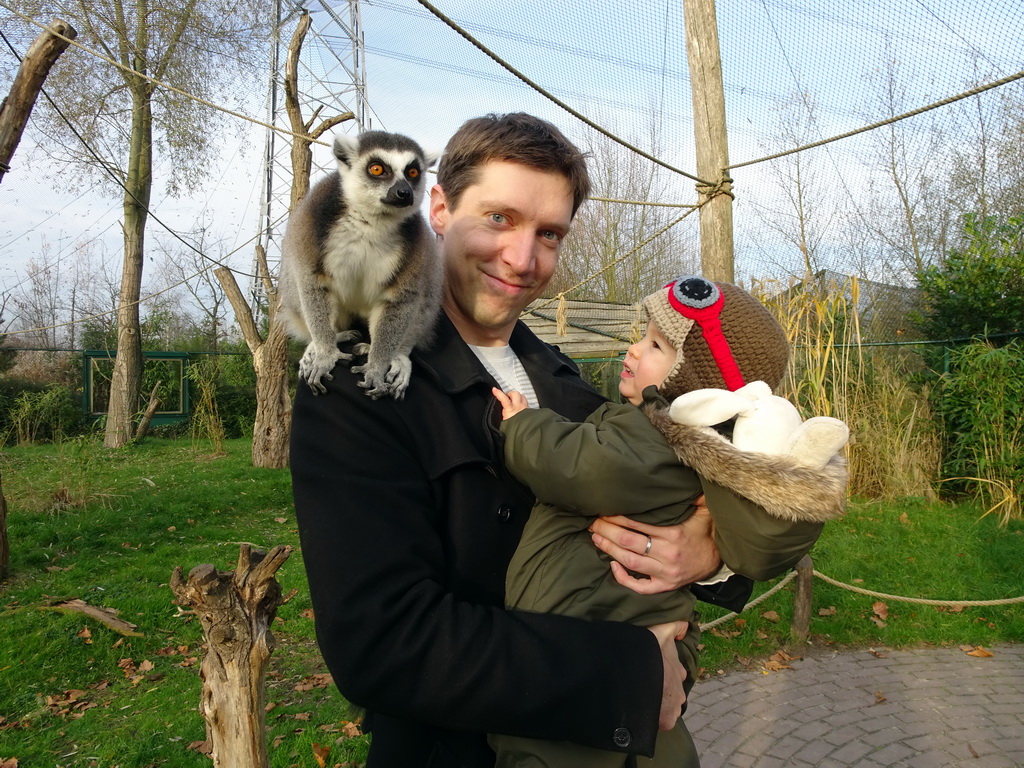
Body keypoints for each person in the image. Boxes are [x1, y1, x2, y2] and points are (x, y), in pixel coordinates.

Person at [289, 113, 822, 767]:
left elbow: (661, 491)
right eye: (499, 219)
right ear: (439, 209)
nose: (523, 258)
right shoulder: (360, 379)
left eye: (549, 234)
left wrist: (707, 554)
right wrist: (631, 678)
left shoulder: (566, 381)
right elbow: (382, 642)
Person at [488, 275, 847, 767]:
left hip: (592, 629)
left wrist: (523, 427)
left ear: (693, 381)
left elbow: (581, 469)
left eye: (656, 344)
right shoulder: (665, 439)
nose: (633, 350)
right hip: (620, 637)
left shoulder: (656, 440)